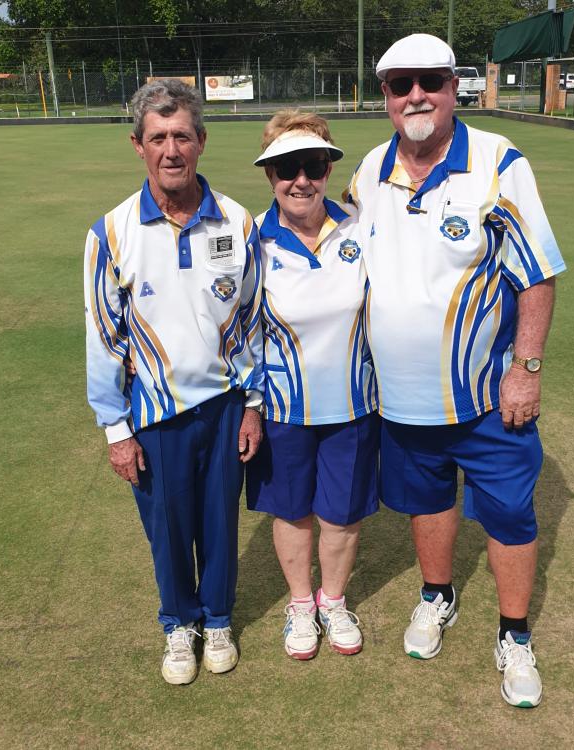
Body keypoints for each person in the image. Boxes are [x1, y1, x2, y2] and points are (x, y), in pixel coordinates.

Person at [346, 34, 566, 707]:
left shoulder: (498, 161)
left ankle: (515, 634)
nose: (415, 95)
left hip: (486, 397)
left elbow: (536, 275)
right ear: (385, 96)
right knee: (429, 502)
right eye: (399, 84)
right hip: (402, 400)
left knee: (507, 514)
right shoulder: (368, 171)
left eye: (429, 82)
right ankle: (436, 596)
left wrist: (526, 368)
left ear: (453, 87)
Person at [84, 79, 264, 685]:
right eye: (157, 137)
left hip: (222, 403)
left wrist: (254, 404)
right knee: (168, 528)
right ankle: (177, 626)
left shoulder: (239, 222)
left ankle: (216, 620)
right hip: (153, 413)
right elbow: (104, 336)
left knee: (218, 522)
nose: (171, 150)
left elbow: (253, 320)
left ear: (201, 141)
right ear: (137, 145)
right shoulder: (110, 232)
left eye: (181, 135)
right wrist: (115, 429)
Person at [247, 110, 379, 659]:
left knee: (341, 513)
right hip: (281, 407)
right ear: (270, 174)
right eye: (286, 168)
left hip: (353, 402)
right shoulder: (250, 239)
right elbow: (236, 328)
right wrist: (250, 405)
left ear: (328, 168)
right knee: (293, 510)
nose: (301, 180)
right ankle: (301, 604)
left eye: (314, 166)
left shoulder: (361, 227)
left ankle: (333, 599)